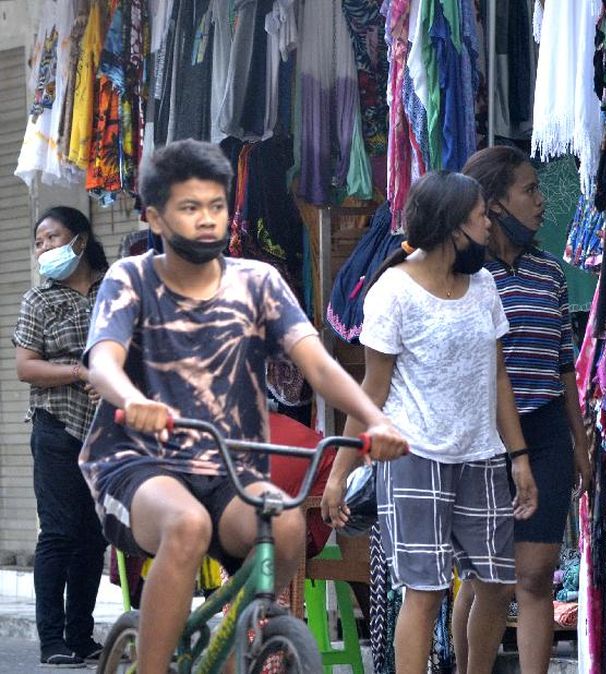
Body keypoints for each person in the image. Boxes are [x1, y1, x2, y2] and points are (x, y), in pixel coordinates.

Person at [81, 139, 409, 674]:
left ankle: (240, 644)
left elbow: (320, 367)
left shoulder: (257, 282)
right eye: (190, 208)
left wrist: (375, 422)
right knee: (186, 526)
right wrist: (134, 400)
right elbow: (103, 361)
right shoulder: (131, 279)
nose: (207, 221)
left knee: (282, 526)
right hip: (136, 461)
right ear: (155, 218)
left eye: (217, 206)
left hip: (226, 461)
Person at [321, 170, 538, 674]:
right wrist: (338, 472)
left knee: (497, 582)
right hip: (413, 459)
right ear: (452, 227)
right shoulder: (392, 292)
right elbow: (369, 394)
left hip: (482, 456)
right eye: (481, 216)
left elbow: (498, 376)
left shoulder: (483, 286)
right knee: (425, 591)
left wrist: (519, 457)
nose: (490, 224)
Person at [456, 146, 593, 674]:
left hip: (547, 435)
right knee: (486, 580)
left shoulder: (550, 275)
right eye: (530, 190)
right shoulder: (464, 277)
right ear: (491, 204)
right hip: (483, 440)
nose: (542, 202)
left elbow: (565, 371)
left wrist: (580, 447)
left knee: (534, 576)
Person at [12, 206, 110, 667]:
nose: (44, 248)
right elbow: (25, 367)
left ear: (81, 240)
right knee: (59, 533)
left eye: (52, 238)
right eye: (38, 242)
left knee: (93, 536)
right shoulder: (39, 299)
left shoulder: (115, 288)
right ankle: (52, 639)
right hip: (56, 426)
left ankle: (82, 635)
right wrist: (77, 371)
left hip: (111, 430)